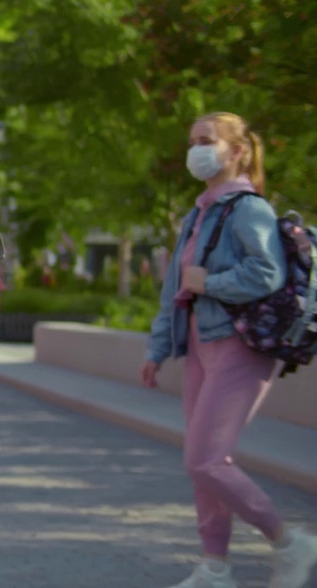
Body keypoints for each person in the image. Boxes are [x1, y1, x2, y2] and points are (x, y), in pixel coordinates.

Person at [144, 112, 317, 588]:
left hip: (240, 347)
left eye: (208, 140)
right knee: (205, 468)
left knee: (205, 459)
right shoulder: (198, 213)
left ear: (237, 151)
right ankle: (216, 569)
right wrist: (157, 349)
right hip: (201, 347)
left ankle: (289, 541)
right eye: (193, 140)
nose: (196, 149)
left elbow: (267, 273)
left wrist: (211, 282)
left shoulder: (248, 209)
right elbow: (172, 290)